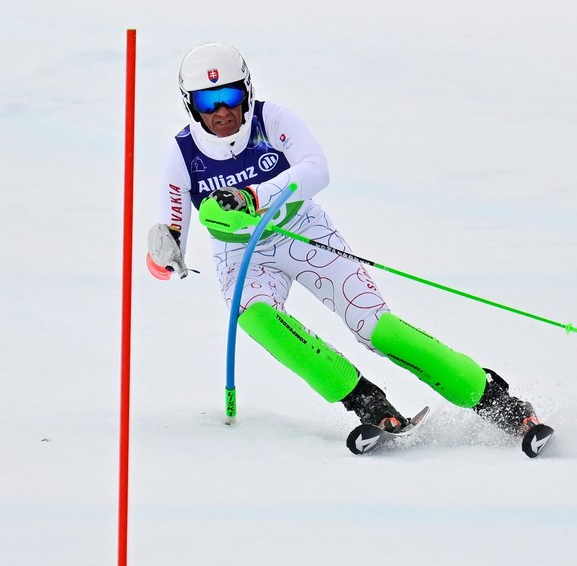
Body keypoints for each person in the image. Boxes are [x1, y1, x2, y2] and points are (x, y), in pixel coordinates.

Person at [146, 42, 540, 439]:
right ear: (190, 105)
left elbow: (317, 169)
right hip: (241, 253)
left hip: (302, 231)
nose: (222, 112)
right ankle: (368, 403)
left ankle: (496, 401)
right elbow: (172, 225)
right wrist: (164, 252)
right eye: (207, 101)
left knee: (376, 329)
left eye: (229, 95)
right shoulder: (182, 152)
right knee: (255, 318)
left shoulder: (273, 119)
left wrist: (254, 195)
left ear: (246, 91)